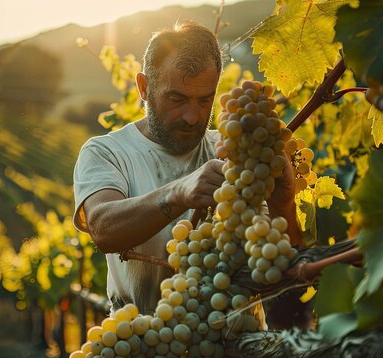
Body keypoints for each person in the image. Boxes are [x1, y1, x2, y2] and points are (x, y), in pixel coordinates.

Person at [73, 21, 300, 316]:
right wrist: (178, 192)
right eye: (176, 99)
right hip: (149, 343)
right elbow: (103, 229)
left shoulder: (235, 157)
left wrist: (283, 204)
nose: (192, 117)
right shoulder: (107, 152)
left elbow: (285, 273)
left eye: (204, 100)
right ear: (144, 87)